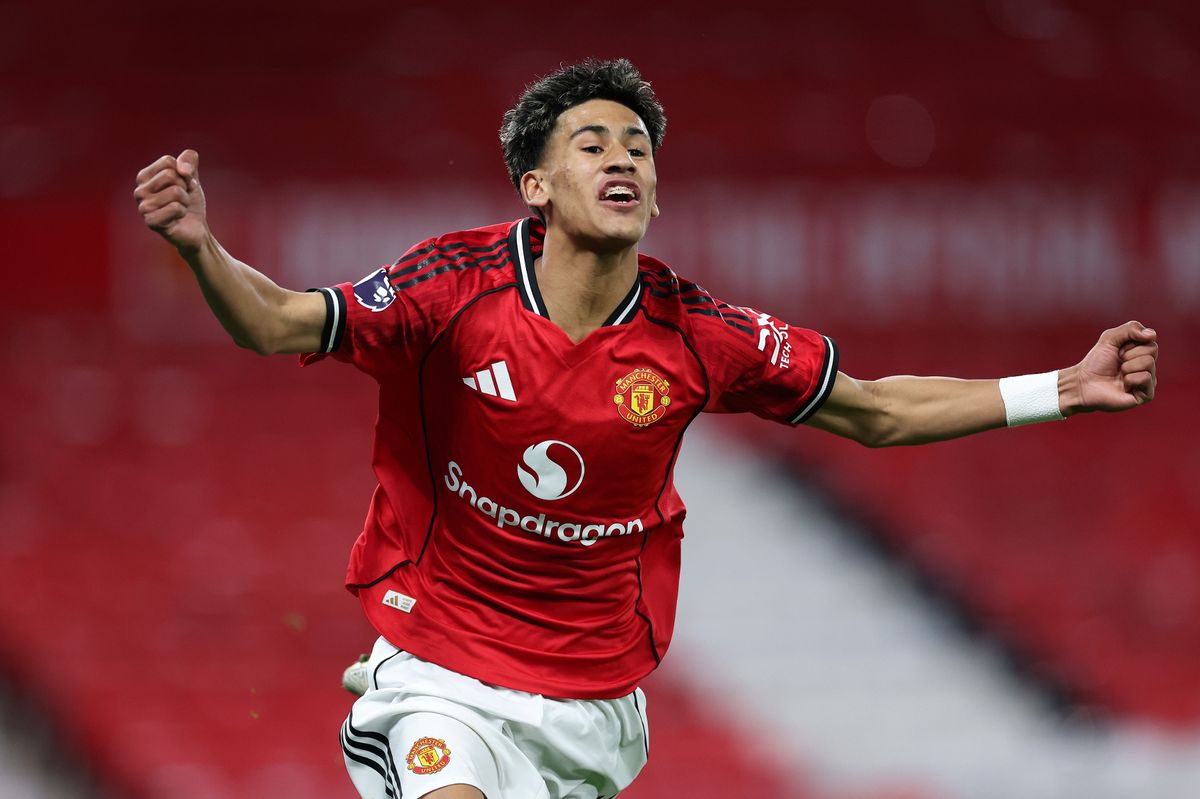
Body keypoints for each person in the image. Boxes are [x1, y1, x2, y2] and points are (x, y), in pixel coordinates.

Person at [133, 58, 1158, 799]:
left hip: (593, 707)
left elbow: (877, 410)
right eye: (593, 143)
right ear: (535, 187)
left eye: (639, 147)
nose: (623, 158)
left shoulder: (701, 334)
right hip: (445, 665)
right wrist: (198, 248)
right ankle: (394, 720)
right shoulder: (448, 289)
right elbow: (275, 324)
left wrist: (1062, 388)